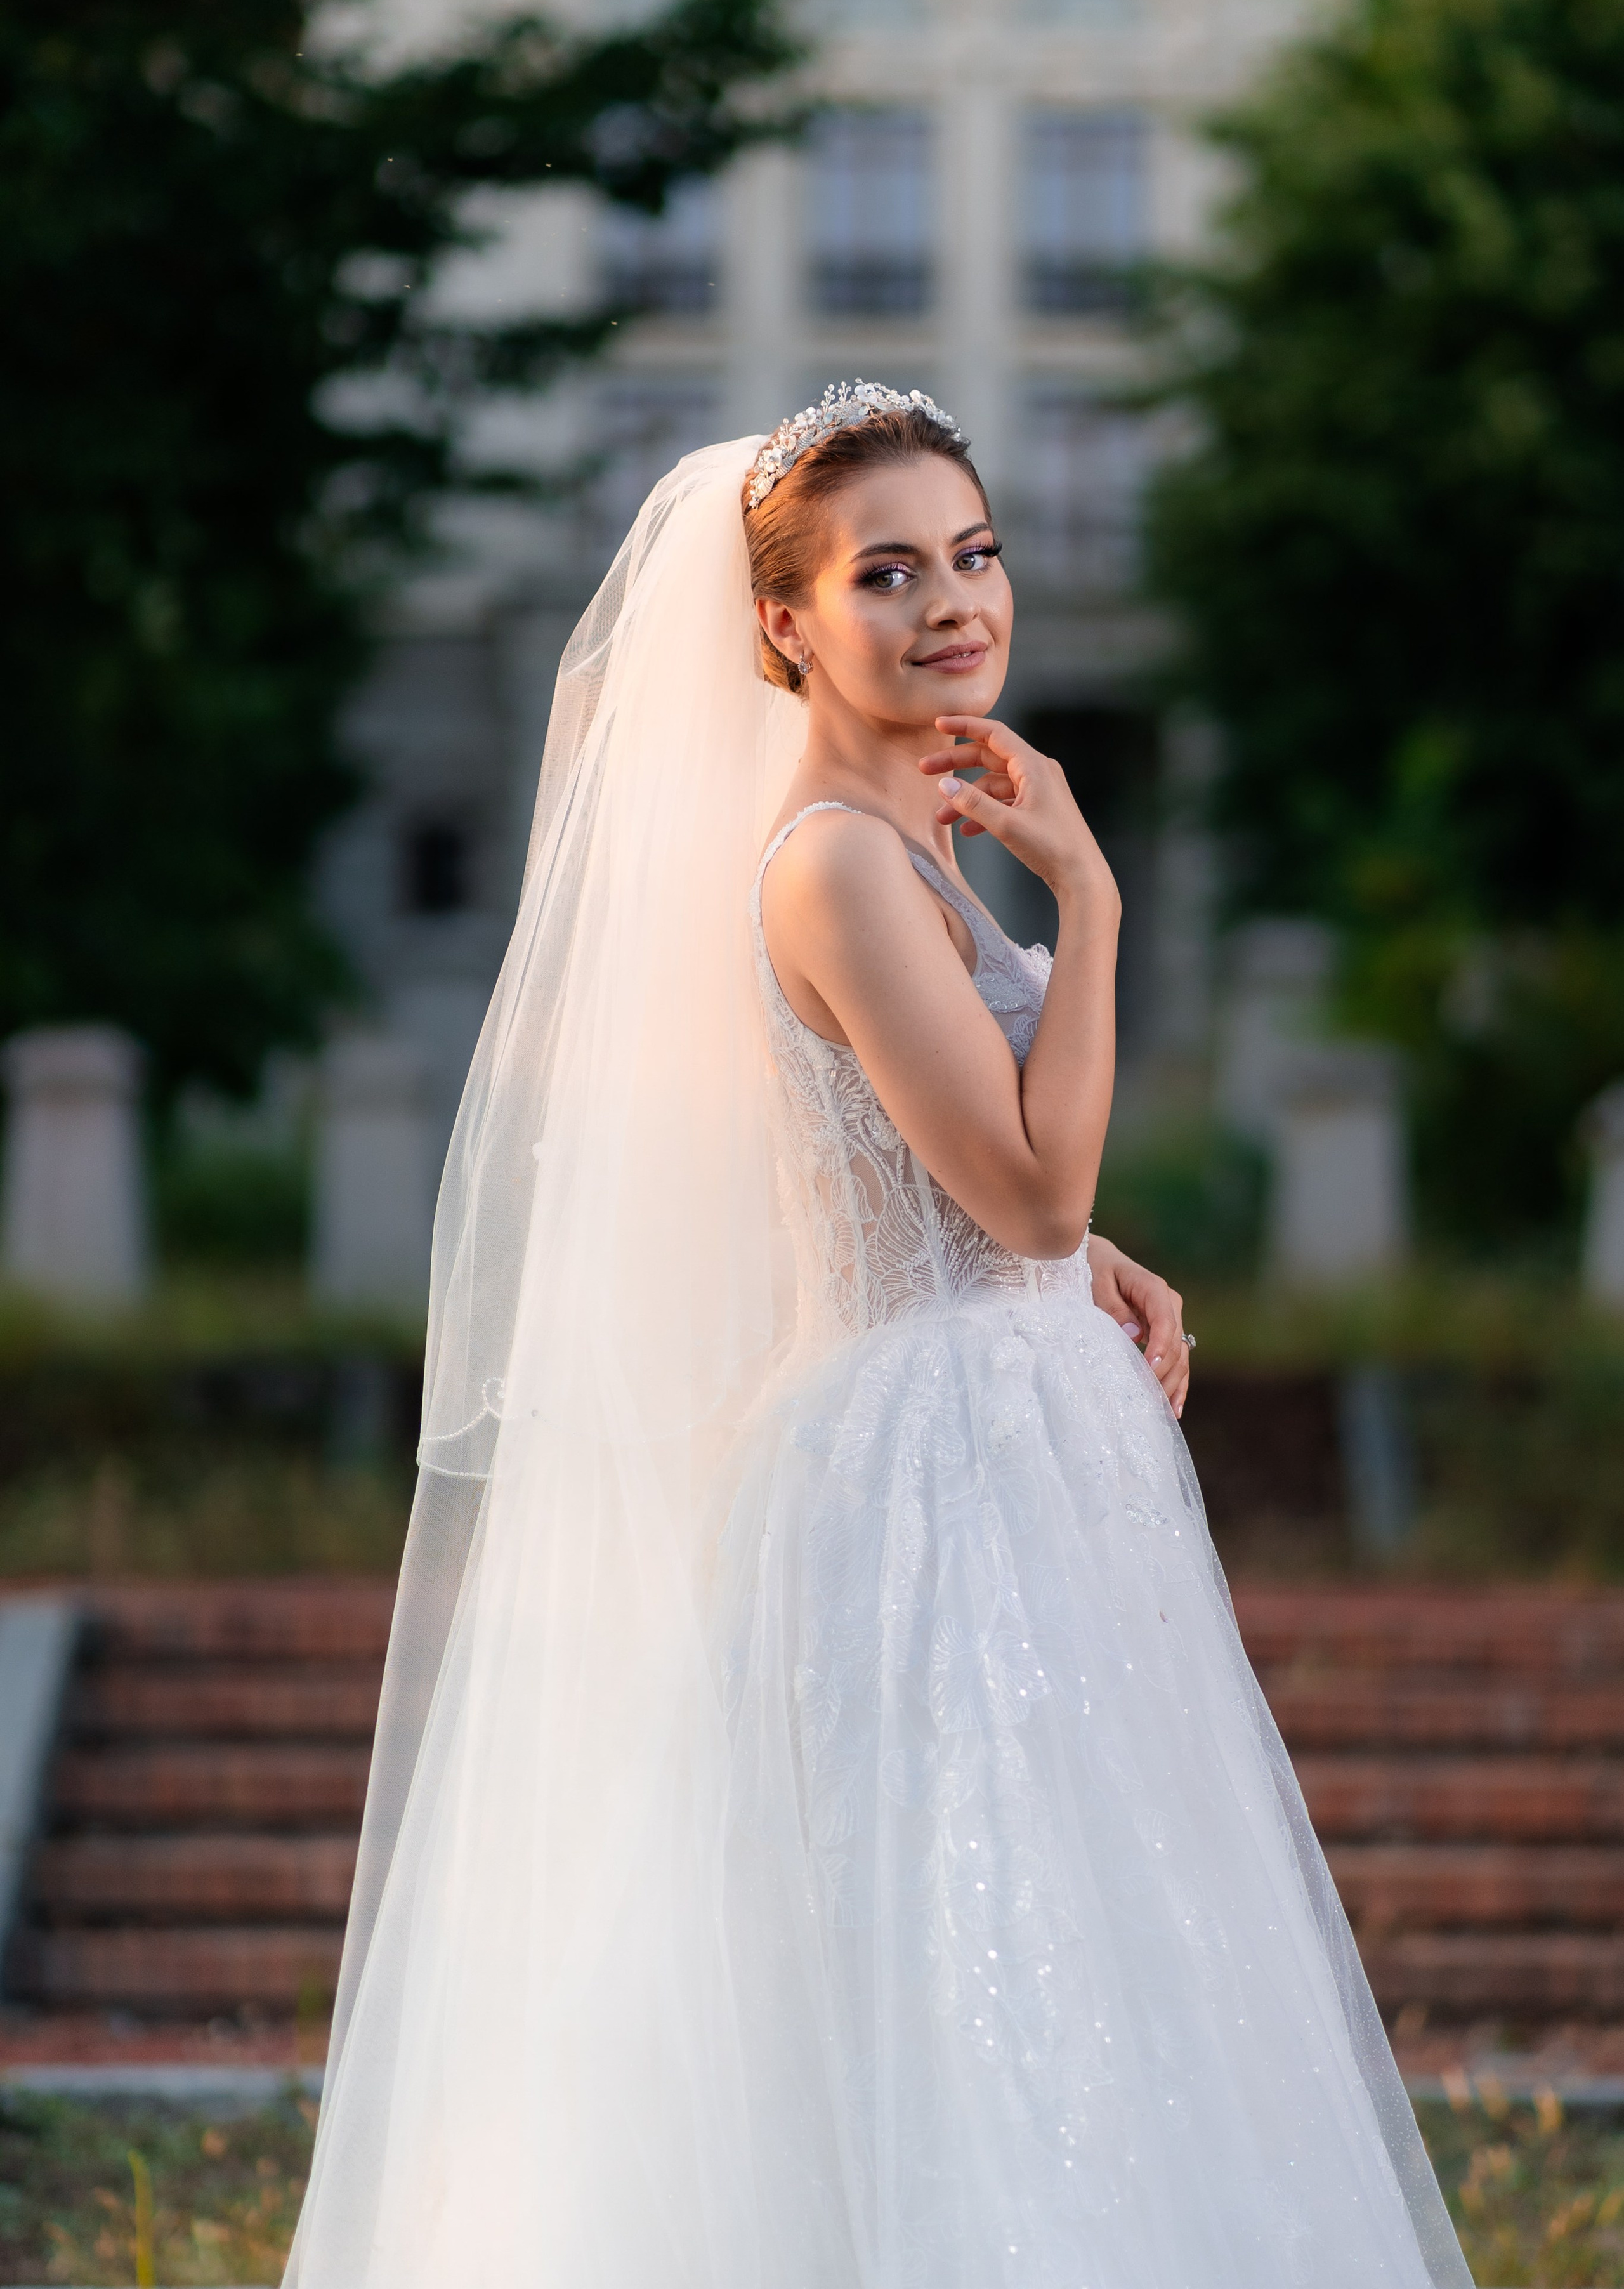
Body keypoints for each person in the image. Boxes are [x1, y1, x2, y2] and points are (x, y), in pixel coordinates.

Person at [286, 389, 1469, 2288]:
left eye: (975, 552)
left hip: (1001, 1406)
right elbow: (1022, 1194)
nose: (953, 603)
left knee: (1079, 1932)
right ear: (782, 626)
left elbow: (918, 1178)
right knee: (954, 1951)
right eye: (887, 571)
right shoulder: (835, 854)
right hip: (932, 1471)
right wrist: (1087, 895)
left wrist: (1082, 1259)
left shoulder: (906, 833)